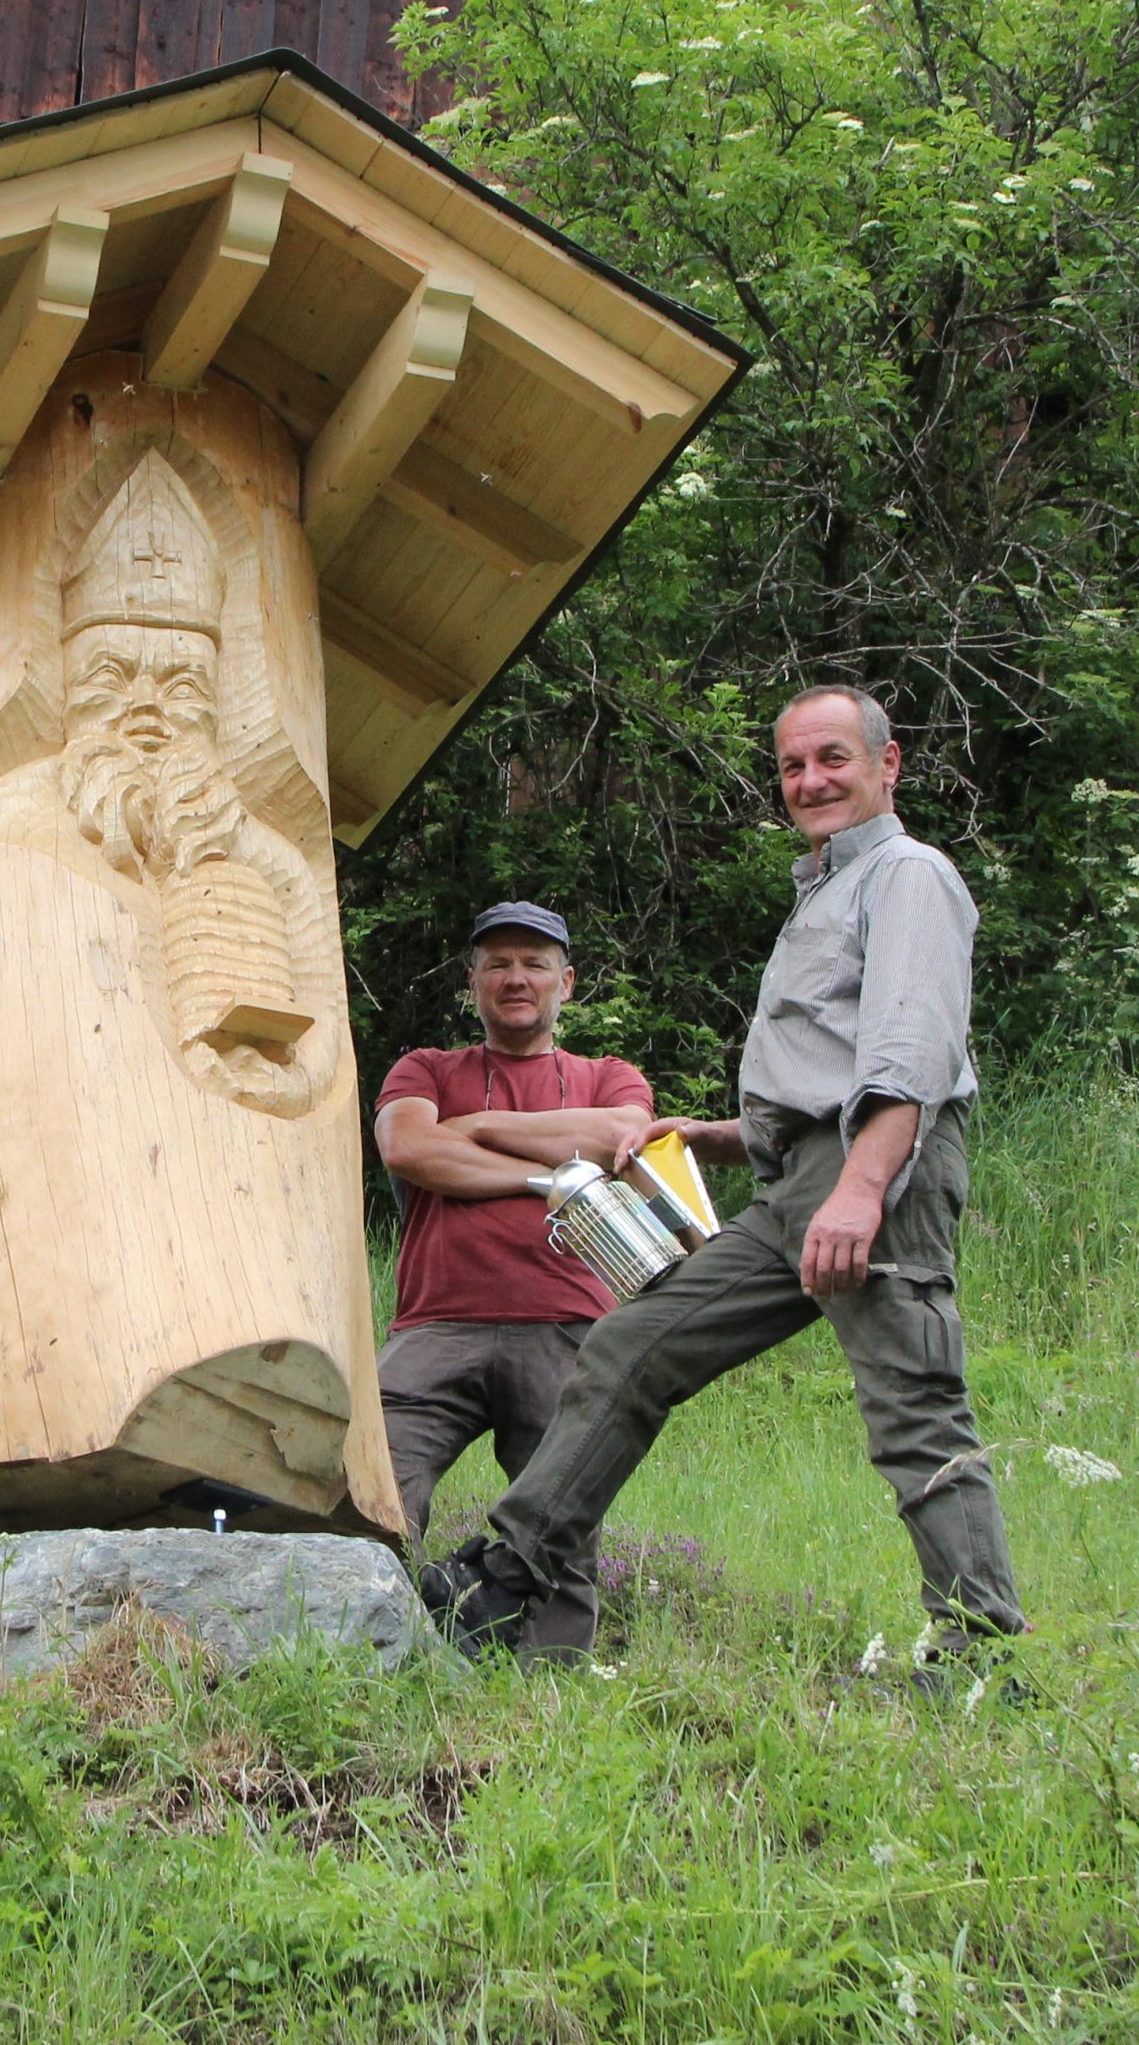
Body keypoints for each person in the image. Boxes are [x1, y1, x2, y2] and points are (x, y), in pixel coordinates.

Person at [416, 686, 1028, 1667]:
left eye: (831, 757)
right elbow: (821, 1067)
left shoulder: (906, 876)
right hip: (793, 1184)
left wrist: (862, 1188)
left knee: (912, 1407)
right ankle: (502, 1578)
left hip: (878, 1172)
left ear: (887, 763)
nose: (809, 781)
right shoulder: (822, 890)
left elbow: (905, 1051)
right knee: (630, 1346)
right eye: (791, 766)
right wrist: (714, 1136)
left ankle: (981, 1654)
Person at [371, 902, 659, 1653]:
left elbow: (614, 1136)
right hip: (435, 1323)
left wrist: (469, 1129)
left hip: (566, 1322)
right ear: (472, 984)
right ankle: (372, 1648)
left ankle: (551, 1682)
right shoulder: (425, 1068)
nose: (515, 977)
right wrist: (548, 1176)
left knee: (562, 1511)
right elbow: (407, 1148)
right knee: (372, 1486)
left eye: (533, 962)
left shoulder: (607, 1075)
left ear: (566, 981)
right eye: (496, 962)